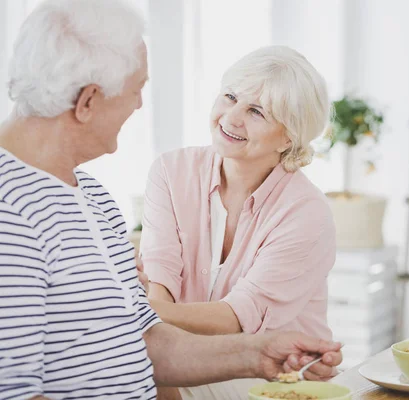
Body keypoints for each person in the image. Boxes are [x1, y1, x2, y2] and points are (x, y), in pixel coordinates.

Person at [0, 1, 342, 399]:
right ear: (89, 101)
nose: (140, 105)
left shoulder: (95, 200)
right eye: (137, 89)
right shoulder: (10, 212)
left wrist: (257, 354)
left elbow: (147, 341)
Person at [142, 45, 335, 345]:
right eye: (230, 97)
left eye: (256, 112)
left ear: (288, 137)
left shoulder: (306, 212)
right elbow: (160, 275)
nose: (230, 118)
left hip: (278, 377)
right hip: (190, 356)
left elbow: (240, 316)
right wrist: (157, 334)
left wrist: (136, 315)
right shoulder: (171, 171)